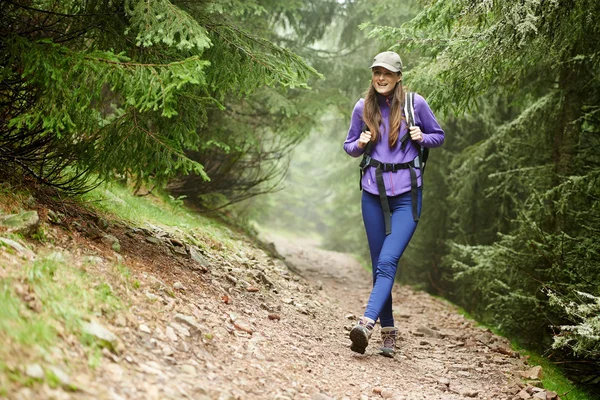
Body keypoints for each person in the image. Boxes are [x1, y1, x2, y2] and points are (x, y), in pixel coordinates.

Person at [343, 51, 445, 357]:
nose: (381, 77)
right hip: (372, 194)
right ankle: (388, 333)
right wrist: (359, 143)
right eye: (377, 72)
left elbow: (438, 136)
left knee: (388, 261)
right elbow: (348, 147)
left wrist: (421, 137)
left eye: (387, 73)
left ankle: (365, 324)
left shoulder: (416, 105)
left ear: (398, 77)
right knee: (379, 267)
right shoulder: (363, 107)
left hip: (407, 196)